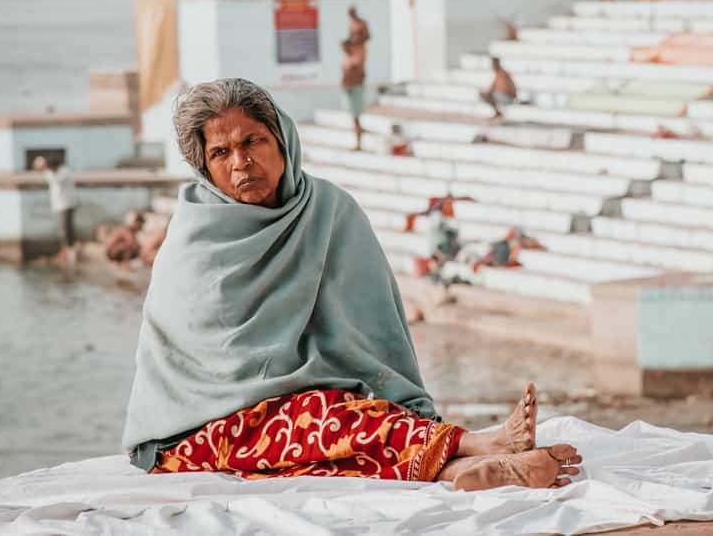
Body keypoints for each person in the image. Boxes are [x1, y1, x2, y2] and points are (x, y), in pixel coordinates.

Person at [122, 78, 582, 490]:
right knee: (319, 420)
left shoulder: (329, 211)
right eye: (220, 153)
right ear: (205, 167)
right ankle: (478, 445)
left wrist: (341, 386)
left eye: (253, 141)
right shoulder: (195, 235)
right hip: (198, 427)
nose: (241, 163)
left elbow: (372, 326)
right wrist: (301, 391)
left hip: (314, 400)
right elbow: (219, 359)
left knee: (345, 423)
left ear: (282, 141)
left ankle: (456, 471)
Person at [32, 156, 77, 264]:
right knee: (63, 228)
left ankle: (70, 250)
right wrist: (43, 169)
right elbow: (48, 176)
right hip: (59, 205)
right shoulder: (51, 173)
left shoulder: (64, 172)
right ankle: (66, 249)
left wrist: (44, 169)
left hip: (67, 203)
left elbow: (56, 179)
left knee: (66, 228)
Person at [340, 39, 366, 150]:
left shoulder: (356, 60)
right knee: (354, 118)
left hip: (355, 90)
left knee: (356, 118)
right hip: (348, 91)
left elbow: (361, 75)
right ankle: (358, 141)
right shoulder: (346, 60)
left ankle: (359, 143)